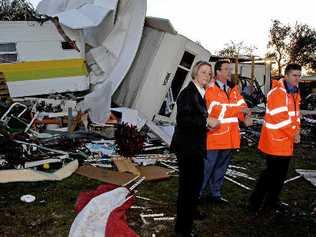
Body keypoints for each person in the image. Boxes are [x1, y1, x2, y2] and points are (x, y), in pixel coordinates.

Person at [249, 63, 302, 213]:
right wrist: (294, 133)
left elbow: (295, 116)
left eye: (299, 76)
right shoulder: (278, 92)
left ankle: (271, 202)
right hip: (275, 142)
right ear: (286, 75)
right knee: (270, 175)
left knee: (280, 175)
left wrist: (297, 130)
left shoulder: (295, 92)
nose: (297, 79)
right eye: (294, 75)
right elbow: (281, 118)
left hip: (286, 141)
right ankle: (255, 202)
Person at [171, 61, 215, 237]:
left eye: (209, 73)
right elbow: (184, 121)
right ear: (195, 73)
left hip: (194, 147)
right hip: (187, 148)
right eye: (204, 72)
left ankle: (187, 221)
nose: (207, 76)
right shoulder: (188, 93)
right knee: (188, 188)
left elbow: (193, 119)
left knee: (194, 185)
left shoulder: (199, 93)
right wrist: (206, 122)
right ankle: (183, 229)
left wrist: (206, 124)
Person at [200, 60, 252, 204]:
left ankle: (215, 194)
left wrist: (246, 115)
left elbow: (242, 105)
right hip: (214, 136)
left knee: (221, 168)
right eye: (226, 69)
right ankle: (197, 195)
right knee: (207, 167)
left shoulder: (233, 89)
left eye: (230, 69)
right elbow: (215, 110)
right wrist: (238, 110)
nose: (230, 72)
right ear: (217, 72)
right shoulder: (210, 88)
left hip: (230, 137)